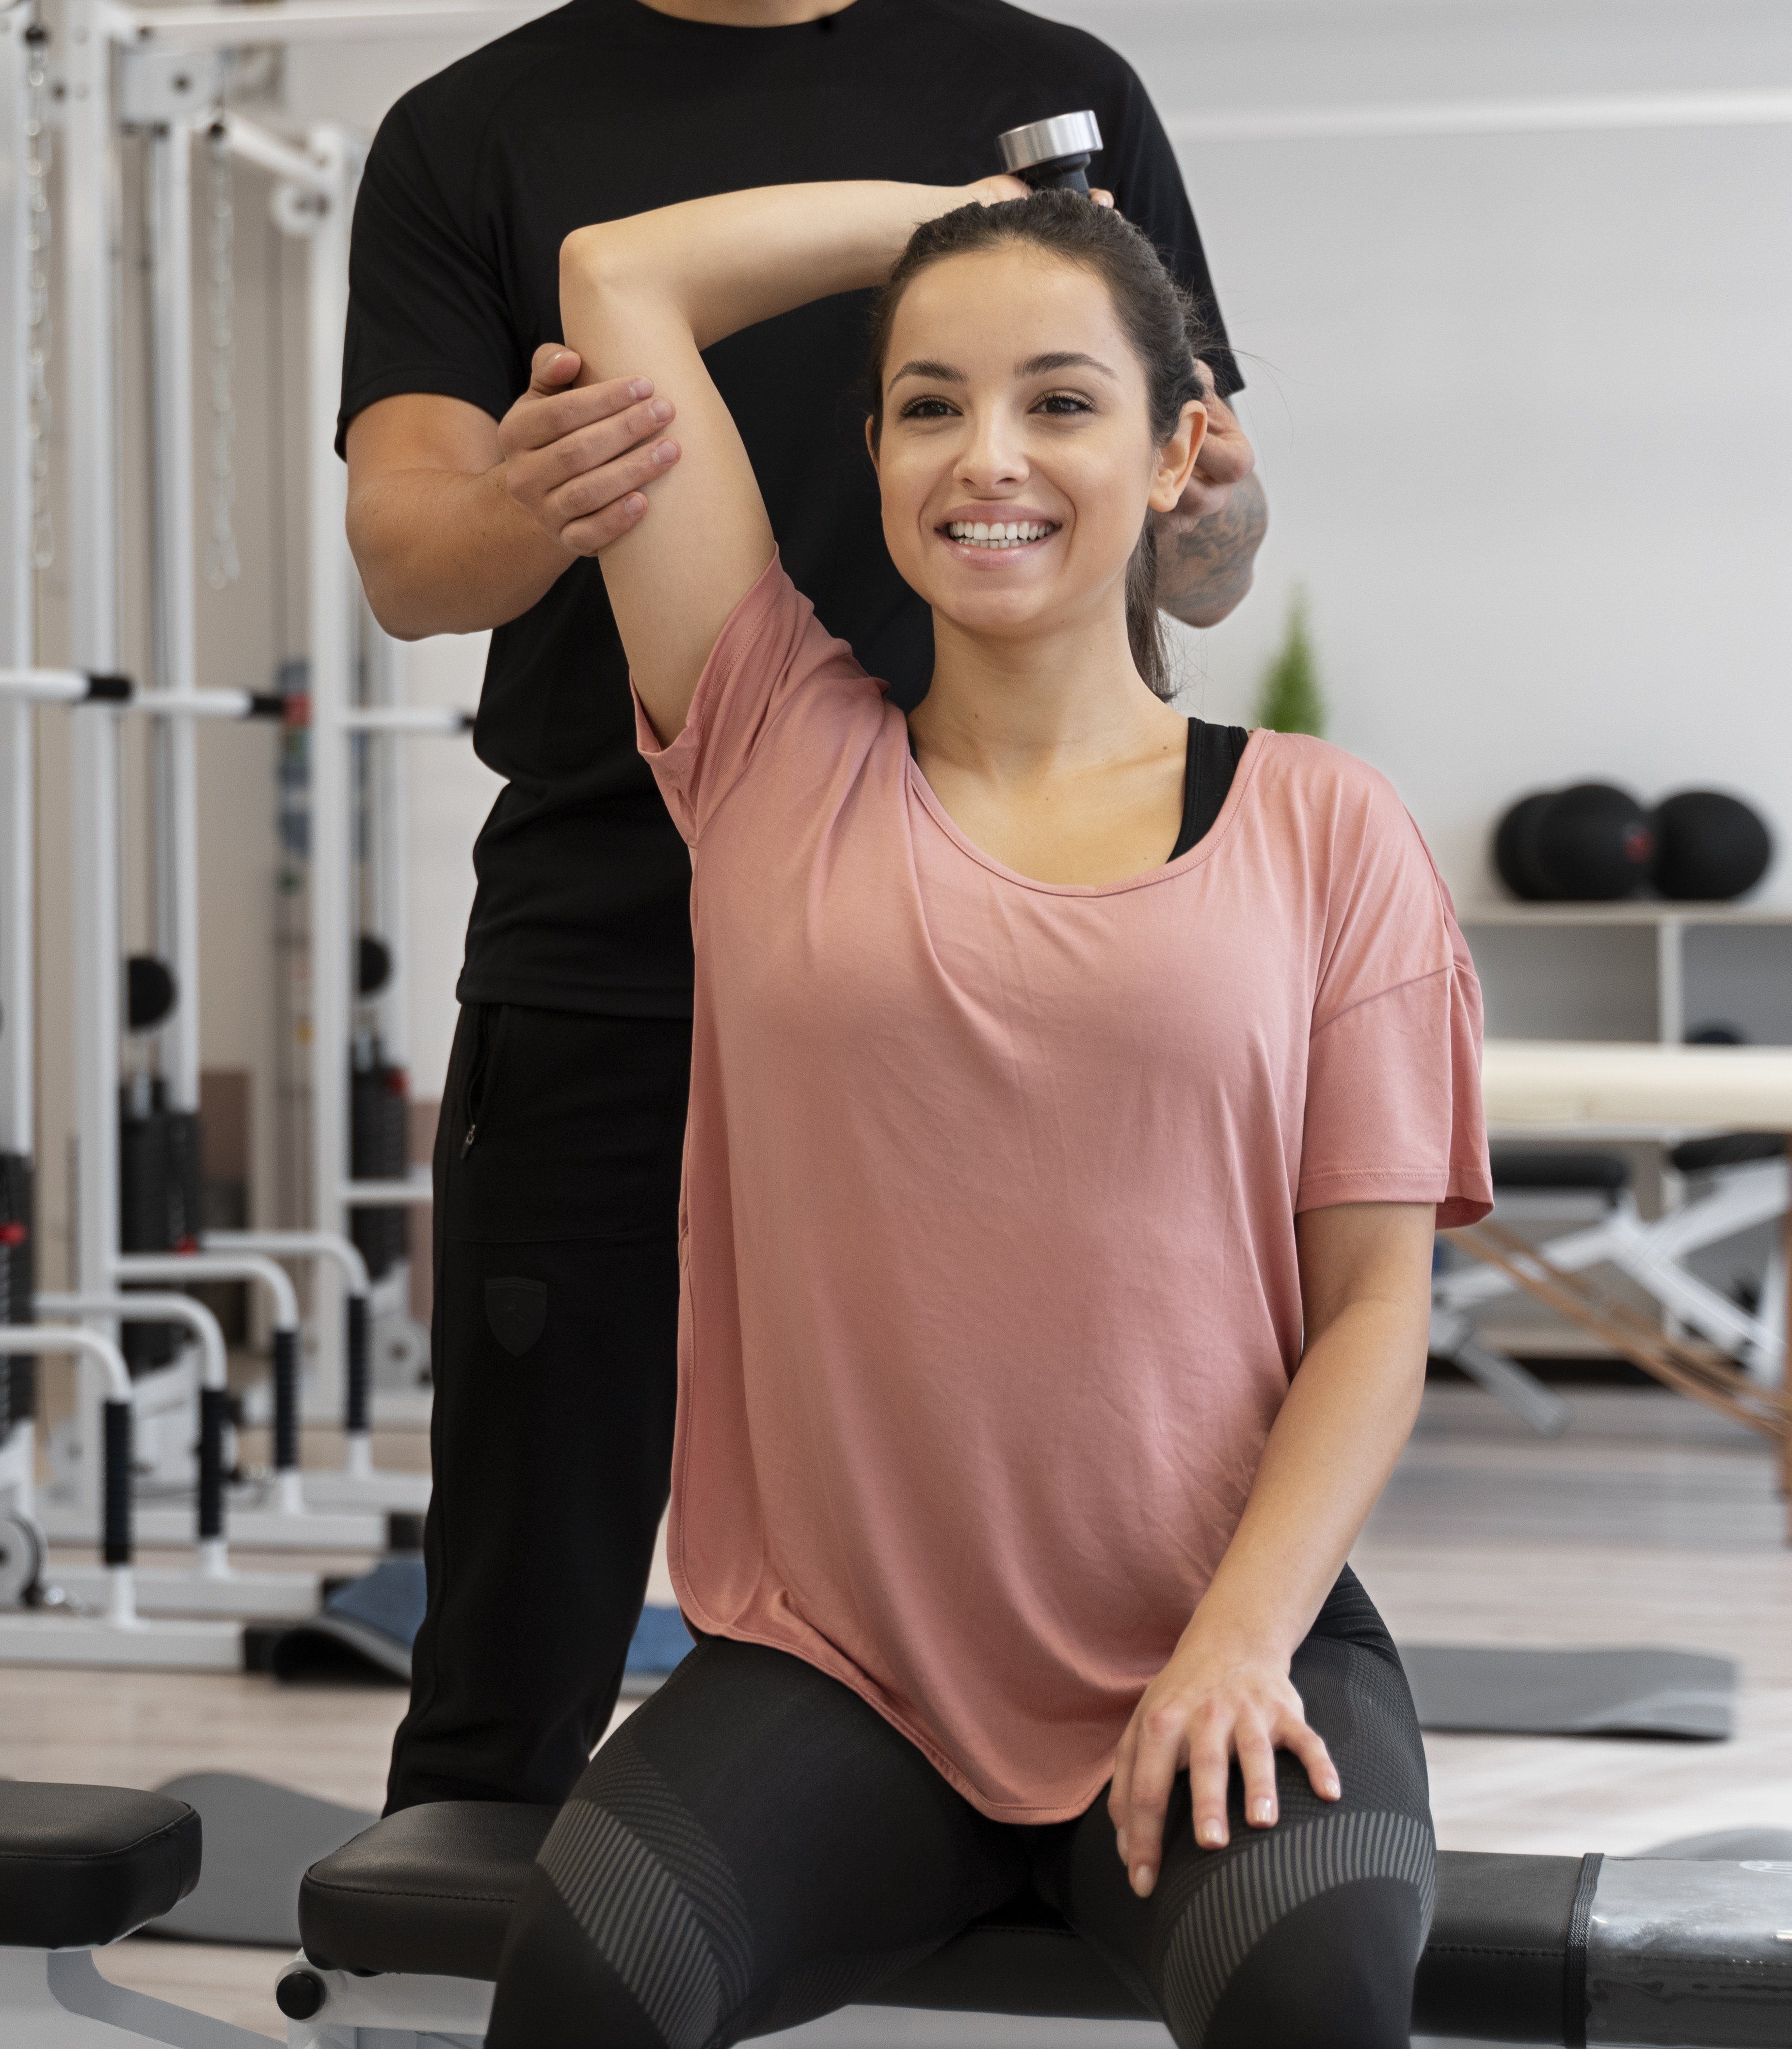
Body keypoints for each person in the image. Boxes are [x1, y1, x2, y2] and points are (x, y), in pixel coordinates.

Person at [342, 0, 1269, 1815]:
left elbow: (1196, 544)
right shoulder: (471, 139)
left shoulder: (1053, 103)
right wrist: (537, 486)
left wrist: (1217, 512)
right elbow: (405, 554)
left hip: (990, 935)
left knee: (1038, 1523)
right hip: (613, 929)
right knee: (523, 1590)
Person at [483, 177, 1487, 2049]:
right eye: (931, 405)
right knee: (576, 1994)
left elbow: (1373, 1314)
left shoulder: (1326, 828)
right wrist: (973, 214)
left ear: (1183, 446)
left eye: (1062, 398)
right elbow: (622, 277)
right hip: (840, 1674)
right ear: (871, 448)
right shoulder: (771, 737)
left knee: (1316, 2012)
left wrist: (1236, 1646)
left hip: (1217, 1637)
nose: (989, 458)